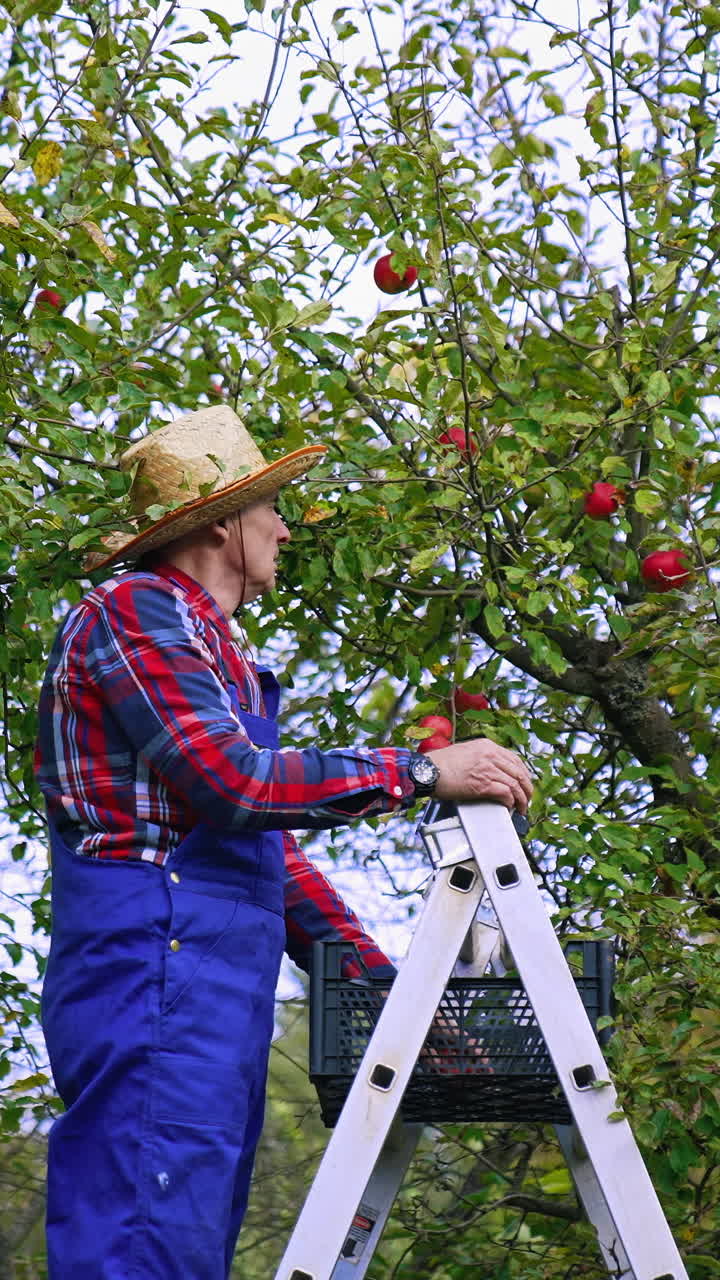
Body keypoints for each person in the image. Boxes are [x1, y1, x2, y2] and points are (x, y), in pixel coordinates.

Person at [35, 406, 533, 1279]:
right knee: (145, 1243)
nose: (286, 525)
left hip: (206, 983)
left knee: (185, 1235)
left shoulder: (213, 646)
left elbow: (265, 853)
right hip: (155, 966)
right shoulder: (136, 609)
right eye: (272, 507)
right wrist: (416, 774)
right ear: (222, 521)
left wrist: (386, 988)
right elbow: (235, 783)